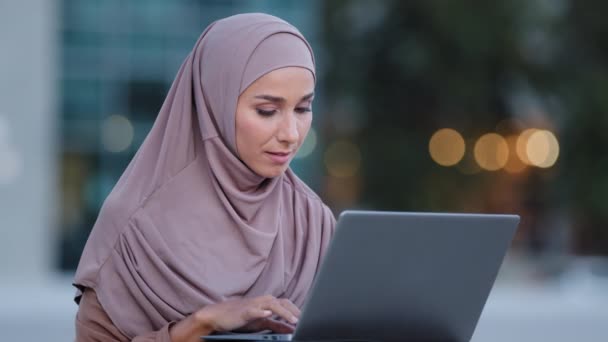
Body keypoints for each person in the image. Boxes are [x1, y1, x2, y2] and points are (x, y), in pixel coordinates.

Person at [73, 13, 336, 342]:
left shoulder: (311, 221)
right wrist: (201, 323)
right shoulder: (135, 227)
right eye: (267, 110)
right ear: (216, 103)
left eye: (303, 109)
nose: (291, 134)